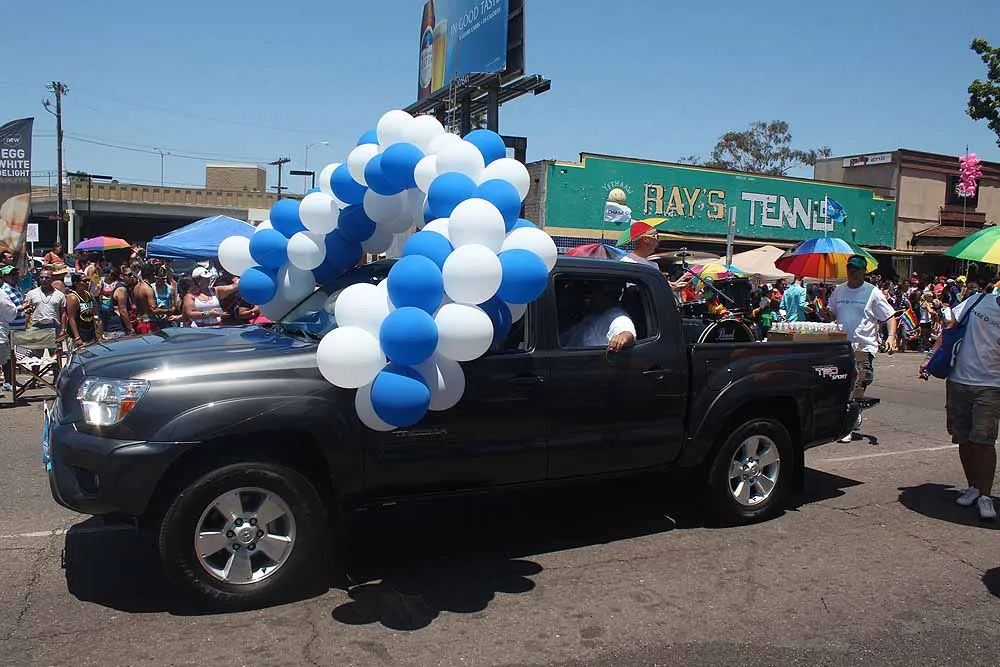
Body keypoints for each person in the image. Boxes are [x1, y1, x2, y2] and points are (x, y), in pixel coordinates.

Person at [920, 288, 1000, 521]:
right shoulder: (978, 300)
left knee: (983, 441)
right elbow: (949, 330)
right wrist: (930, 358)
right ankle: (973, 487)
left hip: (991, 385)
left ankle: (985, 495)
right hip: (958, 381)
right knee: (962, 438)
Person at [824, 255, 898, 441]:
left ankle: (848, 425)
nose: (853, 272)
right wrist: (825, 313)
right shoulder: (839, 290)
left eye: (857, 269)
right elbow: (831, 314)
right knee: (841, 384)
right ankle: (853, 413)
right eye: (850, 268)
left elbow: (889, 316)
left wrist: (891, 336)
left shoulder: (873, 292)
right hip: (841, 345)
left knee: (858, 382)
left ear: (864, 271)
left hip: (864, 346)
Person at [562, 282, 636, 353]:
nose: (588, 297)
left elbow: (626, 333)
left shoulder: (616, 316)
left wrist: (621, 338)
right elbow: (566, 338)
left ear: (605, 295)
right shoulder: (592, 316)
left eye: (593, 292)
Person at [23, 269, 66, 336]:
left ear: (52, 279)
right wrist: (24, 327)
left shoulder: (60, 295)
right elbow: (27, 312)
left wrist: (63, 329)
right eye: (41, 277)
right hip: (36, 326)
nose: (44, 279)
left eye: (47, 278)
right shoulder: (31, 293)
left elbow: (63, 313)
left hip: (54, 327)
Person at [98, 267, 135, 340]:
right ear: (121, 276)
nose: (132, 277)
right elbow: (123, 311)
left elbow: (104, 309)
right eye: (130, 275)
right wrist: (130, 328)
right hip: (119, 330)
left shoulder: (106, 290)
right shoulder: (121, 289)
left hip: (108, 329)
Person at [65, 274, 100, 348]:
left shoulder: (88, 295)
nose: (87, 283)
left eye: (88, 280)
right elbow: (71, 318)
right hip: (78, 336)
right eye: (84, 281)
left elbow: (92, 314)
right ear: (76, 283)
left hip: (89, 334)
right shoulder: (73, 298)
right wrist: (77, 337)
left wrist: (96, 332)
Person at [0, 265, 26, 332]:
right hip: (10, 329)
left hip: (20, 327)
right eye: (11, 275)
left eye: (16, 274)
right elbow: (8, 311)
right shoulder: (4, 291)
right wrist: (23, 307)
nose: (15, 276)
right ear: (4, 277)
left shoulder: (17, 288)